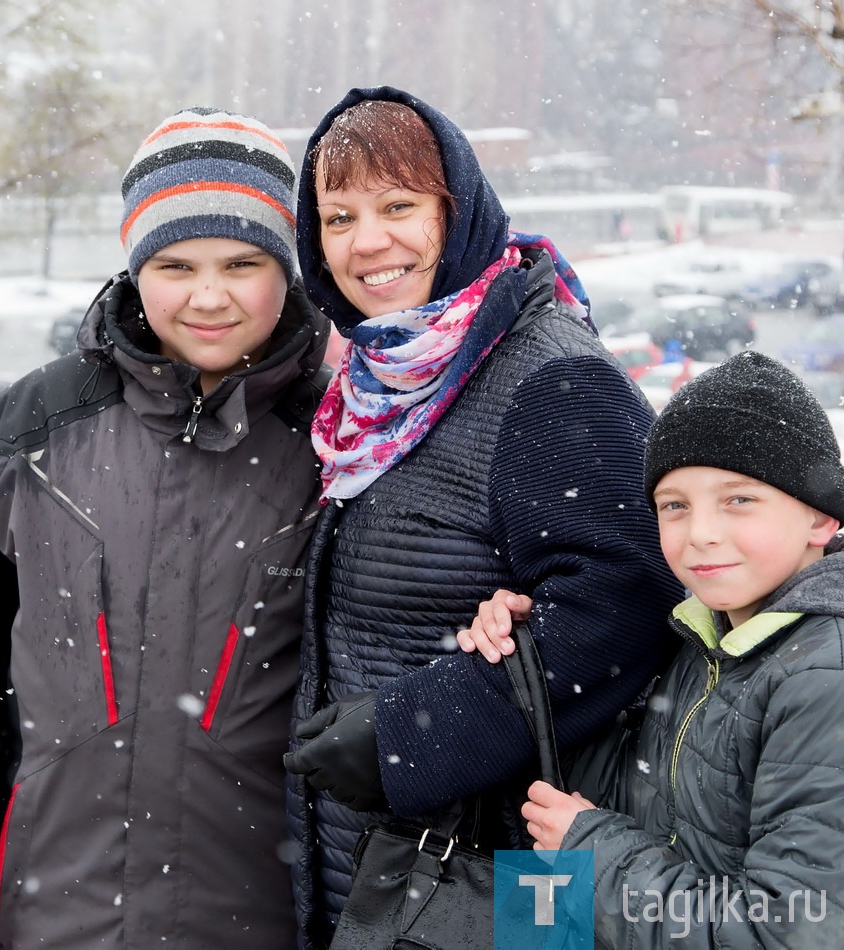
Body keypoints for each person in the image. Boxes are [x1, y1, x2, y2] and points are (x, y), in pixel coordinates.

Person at [282, 85, 684, 948]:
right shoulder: (376, 388)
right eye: (338, 215)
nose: (368, 242)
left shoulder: (546, 377)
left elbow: (629, 602)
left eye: (399, 206)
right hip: (383, 872)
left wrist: (410, 737)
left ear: (458, 213)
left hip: (495, 872)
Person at [0, 108, 329, 949]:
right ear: (136, 268)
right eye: (175, 264)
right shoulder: (29, 429)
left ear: (288, 268)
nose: (209, 296)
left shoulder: (342, 441)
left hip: (260, 917)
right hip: (50, 915)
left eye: (243, 263)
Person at [468, 351, 844, 946]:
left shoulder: (824, 675)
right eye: (675, 506)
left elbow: (789, 932)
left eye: (738, 499)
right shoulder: (698, 639)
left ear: (821, 518)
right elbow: (606, 804)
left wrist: (586, 848)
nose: (700, 533)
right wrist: (527, 647)